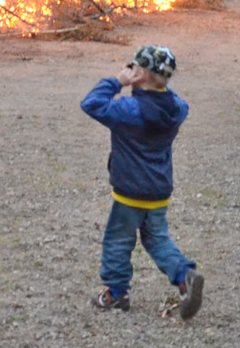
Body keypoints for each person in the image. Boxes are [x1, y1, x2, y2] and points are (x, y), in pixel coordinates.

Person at [81, 44, 205, 320]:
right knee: (157, 239)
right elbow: (178, 103)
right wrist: (156, 87)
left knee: (118, 241)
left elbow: (91, 103)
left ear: (140, 74)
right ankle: (184, 275)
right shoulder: (175, 109)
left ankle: (115, 292)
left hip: (129, 193)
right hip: (158, 191)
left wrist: (117, 82)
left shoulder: (129, 109)